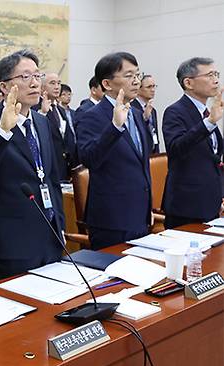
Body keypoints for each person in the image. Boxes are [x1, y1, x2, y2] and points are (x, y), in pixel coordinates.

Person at [0, 49, 65, 280]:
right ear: (4, 87)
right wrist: (2, 132)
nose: (34, 83)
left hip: (49, 233)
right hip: (13, 242)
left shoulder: (41, 122)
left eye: (37, 76)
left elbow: (50, 178)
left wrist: (59, 221)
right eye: (25, 77)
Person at [76, 52, 152, 250]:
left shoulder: (136, 113)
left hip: (140, 213)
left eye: (137, 75)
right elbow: (89, 158)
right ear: (107, 84)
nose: (136, 81)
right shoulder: (91, 116)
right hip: (112, 219)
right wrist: (115, 128)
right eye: (128, 76)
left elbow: (141, 162)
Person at [162, 57, 223, 228]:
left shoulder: (206, 112)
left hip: (210, 199)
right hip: (186, 204)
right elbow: (176, 148)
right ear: (188, 82)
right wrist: (210, 122)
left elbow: (211, 155)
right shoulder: (175, 111)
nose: (216, 80)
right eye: (210, 75)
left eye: (216, 74)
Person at [130, 74, 160, 153]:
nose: (153, 90)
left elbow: (154, 132)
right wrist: (144, 118)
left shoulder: (152, 110)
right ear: (138, 89)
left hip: (153, 153)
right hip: (140, 153)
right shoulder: (132, 108)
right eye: (149, 87)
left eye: (154, 86)